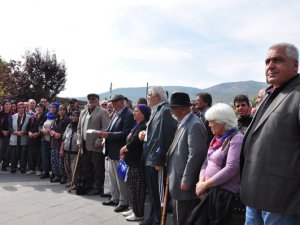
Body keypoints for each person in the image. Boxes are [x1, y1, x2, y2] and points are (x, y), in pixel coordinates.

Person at [240, 43, 300, 224]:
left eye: (278, 60)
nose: (270, 66)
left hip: (282, 202)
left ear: (295, 65)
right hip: (254, 197)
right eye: (267, 62)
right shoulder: (269, 95)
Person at [189, 103, 244, 225]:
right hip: (211, 193)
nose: (208, 125)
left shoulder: (236, 139)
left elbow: (232, 168)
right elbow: (206, 163)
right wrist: (201, 182)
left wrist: (205, 185)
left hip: (224, 197)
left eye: (211, 121)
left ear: (222, 122)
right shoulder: (216, 139)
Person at [166, 92, 207, 225]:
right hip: (178, 181)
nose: (171, 111)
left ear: (182, 109)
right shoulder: (184, 122)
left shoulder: (194, 124)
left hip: (184, 184)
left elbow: (195, 155)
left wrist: (187, 180)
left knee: (184, 219)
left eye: (173, 108)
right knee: (179, 217)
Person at [139, 86, 177, 225]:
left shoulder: (165, 111)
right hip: (150, 158)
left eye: (149, 95)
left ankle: (159, 221)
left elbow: (165, 137)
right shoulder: (157, 111)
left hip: (157, 161)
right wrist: (145, 134)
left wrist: (159, 159)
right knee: (154, 193)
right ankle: (153, 217)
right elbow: (154, 135)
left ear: (158, 97)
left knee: (160, 195)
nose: (147, 97)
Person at [99, 94, 135, 213]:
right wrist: (104, 133)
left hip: (120, 152)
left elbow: (126, 133)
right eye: (112, 102)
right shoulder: (116, 113)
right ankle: (115, 198)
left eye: (115, 102)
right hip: (111, 151)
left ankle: (123, 201)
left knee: (121, 179)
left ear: (121, 102)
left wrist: (108, 135)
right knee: (113, 178)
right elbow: (111, 129)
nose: (112, 104)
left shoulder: (128, 114)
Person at [120, 104, 151, 222]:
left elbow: (134, 143)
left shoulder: (143, 126)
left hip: (137, 163)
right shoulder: (137, 125)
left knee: (137, 189)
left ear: (143, 114)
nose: (134, 113)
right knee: (132, 187)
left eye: (136, 111)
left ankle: (138, 213)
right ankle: (133, 208)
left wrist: (123, 148)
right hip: (131, 162)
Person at [77, 93, 110, 195]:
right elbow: (79, 128)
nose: (91, 100)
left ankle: (97, 188)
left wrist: (99, 141)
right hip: (84, 144)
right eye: (89, 99)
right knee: (86, 167)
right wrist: (79, 141)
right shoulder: (83, 112)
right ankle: (88, 186)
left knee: (97, 168)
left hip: (96, 145)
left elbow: (105, 128)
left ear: (98, 100)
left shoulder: (103, 112)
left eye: (93, 99)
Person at [50, 104, 70, 183]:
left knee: (61, 161)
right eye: (60, 109)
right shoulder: (56, 119)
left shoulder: (67, 120)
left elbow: (68, 131)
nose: (62, 111)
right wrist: (53, 133)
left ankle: (63, 176)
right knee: (54, 160)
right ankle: (56, 175)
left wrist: (60, 135)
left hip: (62, 143)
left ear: (66, 111)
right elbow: (51, 129)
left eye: (63, 109)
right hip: (54, 142)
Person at [9, 102, 31, 173]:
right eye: (19, 108)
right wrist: (15, 132)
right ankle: (13, 168)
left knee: (23, 154)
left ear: (24, 108)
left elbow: (30, 128)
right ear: (17, 108)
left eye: (22, 108)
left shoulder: (29, 117)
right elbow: (10, 128)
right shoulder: (13, 116)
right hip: (14, 138)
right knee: (13, 154)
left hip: (23, 137)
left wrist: (24, 132)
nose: (21, 109)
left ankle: (22, 168)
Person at [60, 110, 80, 188]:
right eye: (73, 116)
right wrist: (61, 149)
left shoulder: (80, 126)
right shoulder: (69, 126)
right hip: (67, 150)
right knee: (67, 167)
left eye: (76, 116)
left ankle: (75, 183)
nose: (74, 117)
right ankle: (71, 181)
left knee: (74, 168)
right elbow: (64, 138)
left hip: (75, 151)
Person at [40, 102, 60, 179]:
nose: (52, 108)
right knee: (45, 156)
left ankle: (54, 172)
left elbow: (58, 128)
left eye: (54, 107)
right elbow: (41, 126)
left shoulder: (58, 117)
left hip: (53, 140)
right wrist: (43, 130)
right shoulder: (47, 116)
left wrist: (51, 131)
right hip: (45, 139)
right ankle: (46, 172)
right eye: (51, 107)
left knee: (53, 157)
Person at [26, 103, 47, 175]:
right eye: (38, 107)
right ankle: (31, 168)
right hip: (31, 138)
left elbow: (43, 128)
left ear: (43, 110)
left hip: (39, 138)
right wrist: (29, 133)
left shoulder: (45, 117)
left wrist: (38, 133)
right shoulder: (32, 117)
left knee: (39, 155)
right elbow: (28, 127)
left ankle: (39, 169)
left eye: (41, 108)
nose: (39, 109)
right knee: (30, 154)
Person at [0, 100, 12, 171]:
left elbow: (14, 125)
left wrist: (9, 131)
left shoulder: (13, 114)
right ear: (3, 106)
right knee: (1, 150)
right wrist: (2, 131)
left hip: (9, 135)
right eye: (6, 104)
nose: (7, 105)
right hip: (1, 135)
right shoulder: (0, 113)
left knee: (7, 151)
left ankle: (4, 165)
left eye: (9, 104)